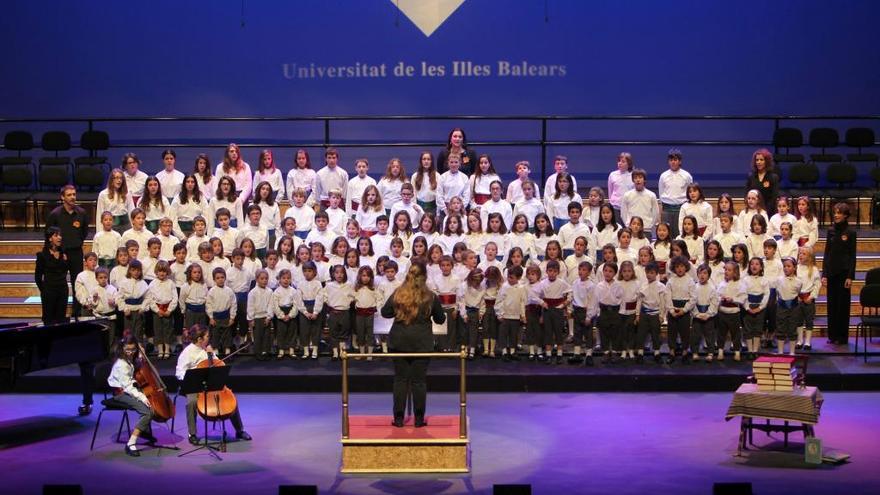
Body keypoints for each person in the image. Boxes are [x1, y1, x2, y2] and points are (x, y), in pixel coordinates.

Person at [381, 261, 446, 428]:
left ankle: (399, 419)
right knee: (419, 381)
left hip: (399, 341)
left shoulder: (399, 293)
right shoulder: (430, 296)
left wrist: (400, 312)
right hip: (421, 343)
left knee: (400, 380)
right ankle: (418, 419)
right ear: (424, 276)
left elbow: (385, 312)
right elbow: (440, 319)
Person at [175, 325, 251, 445]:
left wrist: (211, 354)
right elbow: (179, 372)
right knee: (191, 402)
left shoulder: (207, 349)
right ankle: (192, 433)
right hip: (195, 385)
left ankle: (239, 430)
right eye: (207, 337)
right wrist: (192, 376)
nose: (209, 338)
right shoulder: (187, 353)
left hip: (211, 383)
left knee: (231, 399)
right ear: (199, 339)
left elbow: (220, 364)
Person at [108, 335, 156, 456]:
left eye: (133, 350)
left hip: (128, 389)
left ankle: (144, 430)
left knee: (151, 405)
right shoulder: (121, 364)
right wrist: (142, 397)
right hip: (120, 393)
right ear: (122, 348)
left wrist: (141, 354)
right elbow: (128, 387)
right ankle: (131, 443)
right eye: (127, 350)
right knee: (147, 412)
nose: (130, 353)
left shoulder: (129, 359)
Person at [45, 185, 90, 316]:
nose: (72, 197)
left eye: (74, 194)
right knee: (60, 284)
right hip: (60, 254)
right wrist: (57, 251)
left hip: (76, 253)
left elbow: (84, 232)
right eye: (69, 195)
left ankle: (76, 314)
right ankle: (59, 313)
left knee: (78, 283)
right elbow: (48, 235)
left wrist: (76, 243)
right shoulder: (55, 214)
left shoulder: (82, 213)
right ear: (62, 197)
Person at [822, 203, 856, 346]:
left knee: (843, 306)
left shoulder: (850, 232)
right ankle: (832, 335)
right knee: (832, 304)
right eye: (835, 212)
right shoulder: (831, 231)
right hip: (831, 273)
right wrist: (824, 273)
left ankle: (842, 337)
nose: (836, 215)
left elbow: (852, 255)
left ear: (845, 215)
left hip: (843, 273)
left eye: (839, 213)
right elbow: (827, 253)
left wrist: (850, 276)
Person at [658, 148, 693, 239]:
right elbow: (661, 193)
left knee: (680, 234)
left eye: (675, 160)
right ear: (668, 162)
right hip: (667, 210)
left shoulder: (686, 176)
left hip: (681, 209)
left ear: (680, 161)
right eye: (671, 160)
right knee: (666, 235)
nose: (673, 162)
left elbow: (690, 193)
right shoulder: (663, 176)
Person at [745, 148, 780, 217]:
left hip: (768, 212)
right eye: (757, 160)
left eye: (761, 160)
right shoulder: (751, 176)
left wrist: (764, 212)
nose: (758, 162)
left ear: (766, 161)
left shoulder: (773, 177)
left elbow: (773, 198)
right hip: (753, 212)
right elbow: (746, 194)